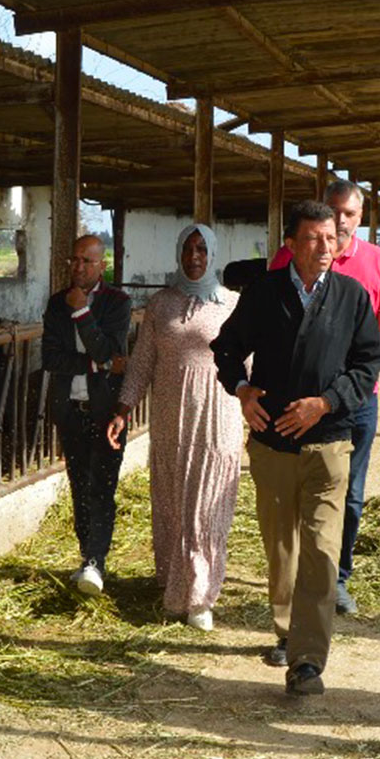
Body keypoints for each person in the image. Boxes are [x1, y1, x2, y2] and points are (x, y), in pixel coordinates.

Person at [214, 201, 380, 695]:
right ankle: (288, 631)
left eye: (332, 238)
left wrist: (326, 403)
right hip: (271, 446)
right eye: (313, 238)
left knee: (321, 550)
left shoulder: (352, 296)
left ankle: (308, 661)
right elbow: (226, 348)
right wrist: (242, 392)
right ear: (291, 244)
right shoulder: (265, 293)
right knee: (282, 548)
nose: (325, 247)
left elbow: (368, 363)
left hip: (329, 445)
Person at [267, 180, 380, 616]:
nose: (340, 221)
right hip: (292, 404)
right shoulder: (289, 258)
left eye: (348, 214)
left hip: (354, 400)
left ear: (359, 217)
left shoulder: (378, 263)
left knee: (349, 494)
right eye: (333, 211)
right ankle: (292, 591)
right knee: (288, 500)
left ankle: (337, 577)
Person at [106, 225, 245, 630]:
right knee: (171, 502)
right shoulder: (160, 304)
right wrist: (123, 407)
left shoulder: (233, 304)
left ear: (213, 254)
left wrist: (258, 412)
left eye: (202, 249)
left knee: (207, 506)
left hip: (218, 415)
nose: (194, 256)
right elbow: (143, 361)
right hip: (170, 419)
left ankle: (201, 596)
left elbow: (249, 365)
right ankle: (173, 584)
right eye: (187, 248)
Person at [42, 233, 133, 595]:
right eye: (74, 260)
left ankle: (97, 562)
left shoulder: (117, 303)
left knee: (102, 487)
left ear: (102, 266)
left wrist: (81, 311)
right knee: (79, 486)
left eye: (87, 261)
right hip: (70, 409)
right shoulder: (55, 303)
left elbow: (108, 350)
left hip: (106, 410)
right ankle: (87, 558)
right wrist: (97, 367)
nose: (78, 267)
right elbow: (51, 358)